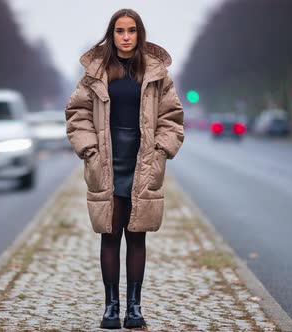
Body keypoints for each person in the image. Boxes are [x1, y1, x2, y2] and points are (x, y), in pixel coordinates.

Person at [65, 8, 184, 329]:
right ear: (112, 34)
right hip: (106, 162)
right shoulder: (96, 71)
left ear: (139, 33)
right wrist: (89, 150)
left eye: (131, 30)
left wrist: (161, 151)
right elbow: (77, 113)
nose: (126, 36)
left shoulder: (157, 73)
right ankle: (110, 308)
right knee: (109, 235)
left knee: (136, 237)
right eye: (120, 31)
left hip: (142, 163)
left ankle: (134, 308)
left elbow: (172, 118)